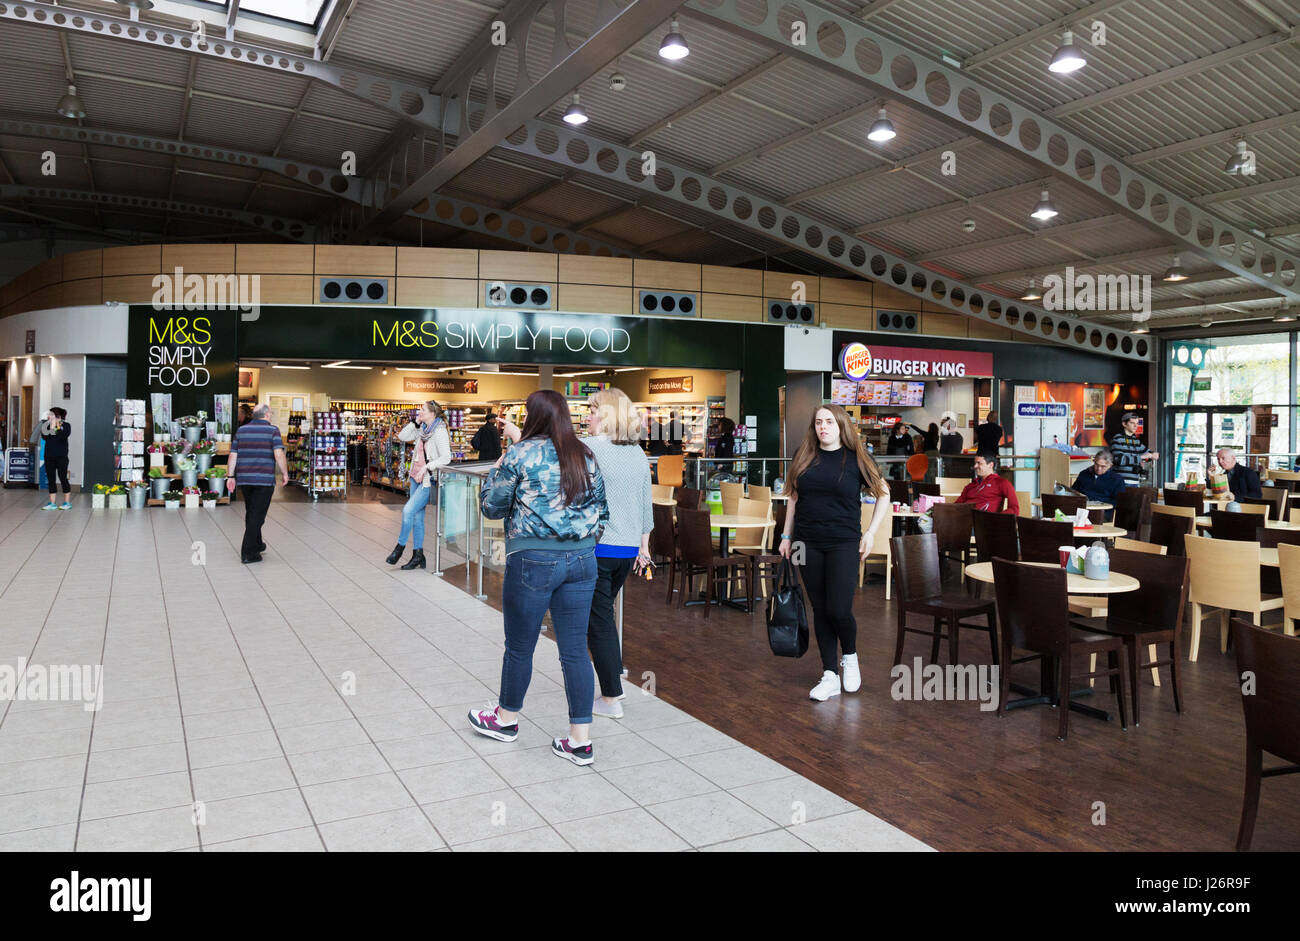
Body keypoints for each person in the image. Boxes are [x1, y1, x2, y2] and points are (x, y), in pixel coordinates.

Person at [470, 389, 609, 766]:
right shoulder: (585, 454)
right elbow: (602, 512)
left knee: (520, 646)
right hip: (582, 561)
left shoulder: (520, 454)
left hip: (532, 559)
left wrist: (502, 465)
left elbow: (491, 507)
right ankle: (580, 741)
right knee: (575, 651)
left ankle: (505, 720)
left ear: (532, 416)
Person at [779, 404, 889, 703]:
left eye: (828, 422)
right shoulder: (804, 458)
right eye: (818, 422)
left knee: (839, 609)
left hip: (844, 543)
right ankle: (829, 674)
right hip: (805, 542)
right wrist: (787, 535)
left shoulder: (855, 460)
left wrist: (870, 533)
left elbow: (884, 494)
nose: (822, 427)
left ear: (841, 425)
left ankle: (849, 656)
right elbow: (793, 498)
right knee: (820, 608)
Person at [583, 389, 653, 720]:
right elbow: (645, 507)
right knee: (601, 616)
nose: (588, 416)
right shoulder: (638, 453)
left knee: (598, 621)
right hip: (626, 550)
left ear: (608, 414)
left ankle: (612, 695)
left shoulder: (591, 448)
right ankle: (610, 682)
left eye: (593, 410)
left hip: (597, 547)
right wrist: (644, 547)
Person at [385, 400, 452, 570]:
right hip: (415, 477)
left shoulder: (439, 432)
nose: (419, 412)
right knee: (417, 517)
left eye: (422, 410)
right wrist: (415, 422)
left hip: (427, 479)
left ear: (432, 413)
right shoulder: (423, 429)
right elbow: (401, 437)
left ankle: (399, 548)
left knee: (408, 510)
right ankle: (418, 555)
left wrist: (427, 467)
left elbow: (446, 457)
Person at [226, 403, 289, 563]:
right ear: (267, 415)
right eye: (271, 414)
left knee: (252, 511)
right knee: (257, 516)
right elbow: (278, 454)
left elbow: (233, 454)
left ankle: (258, 544)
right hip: (264, 481)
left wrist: (230, 476)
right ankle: (248, 553)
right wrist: (285, 472)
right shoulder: (272, 430)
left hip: (245, 480)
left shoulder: (241, 430)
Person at [955, 451, 1019, 514]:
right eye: (975, 463)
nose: (975, 466)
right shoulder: (970, 486)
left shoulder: (1002, 483)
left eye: (979, 463)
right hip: (963, 519)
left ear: (990, 465)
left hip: (985, 521)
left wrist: (998, 518)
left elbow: (1014, 509)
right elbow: (956, 506)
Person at [34, 407, 72, 510]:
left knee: (63, 478)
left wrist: (56, 426)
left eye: (51, 414)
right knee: (51, 479)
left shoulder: (66, 426)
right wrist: (50, 426)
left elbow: (63, 436)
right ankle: (52, 503)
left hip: (62, 457)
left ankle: (67, 503)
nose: (48, 416)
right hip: (49, 456)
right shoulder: (46, 426)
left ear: (57, 416)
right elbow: (45, 437)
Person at [1109, 412, 1157, 486]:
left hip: (1135, 481)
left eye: (1137, 423)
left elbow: (1149, 453)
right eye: (1132, 423)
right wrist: (1141, 457)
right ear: (1124, 424)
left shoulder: (1136, 440)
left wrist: (1154, 454)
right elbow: (1119, 460)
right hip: (1120, 481)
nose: (1136, 426)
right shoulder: (1117, 439)